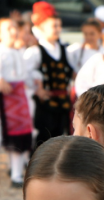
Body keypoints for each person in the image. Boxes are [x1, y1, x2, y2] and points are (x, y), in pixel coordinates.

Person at [0, 18, 34, 185]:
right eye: (7, 29)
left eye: (14, 28)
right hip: (1, 102)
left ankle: (17, 174)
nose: (13, 31)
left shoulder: (20, 53)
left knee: (20, 135)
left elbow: (25, 77)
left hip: (19, 101)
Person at [24, 13, 73, 146]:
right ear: (42, 29)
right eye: (54, 26)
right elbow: (25, 73)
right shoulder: (35, 51)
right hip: (44, 104)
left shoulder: (64, 50)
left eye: (59, 25)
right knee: (43, 138)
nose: (58, 29)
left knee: (61, 139)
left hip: (63, 103)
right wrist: (36, 89)